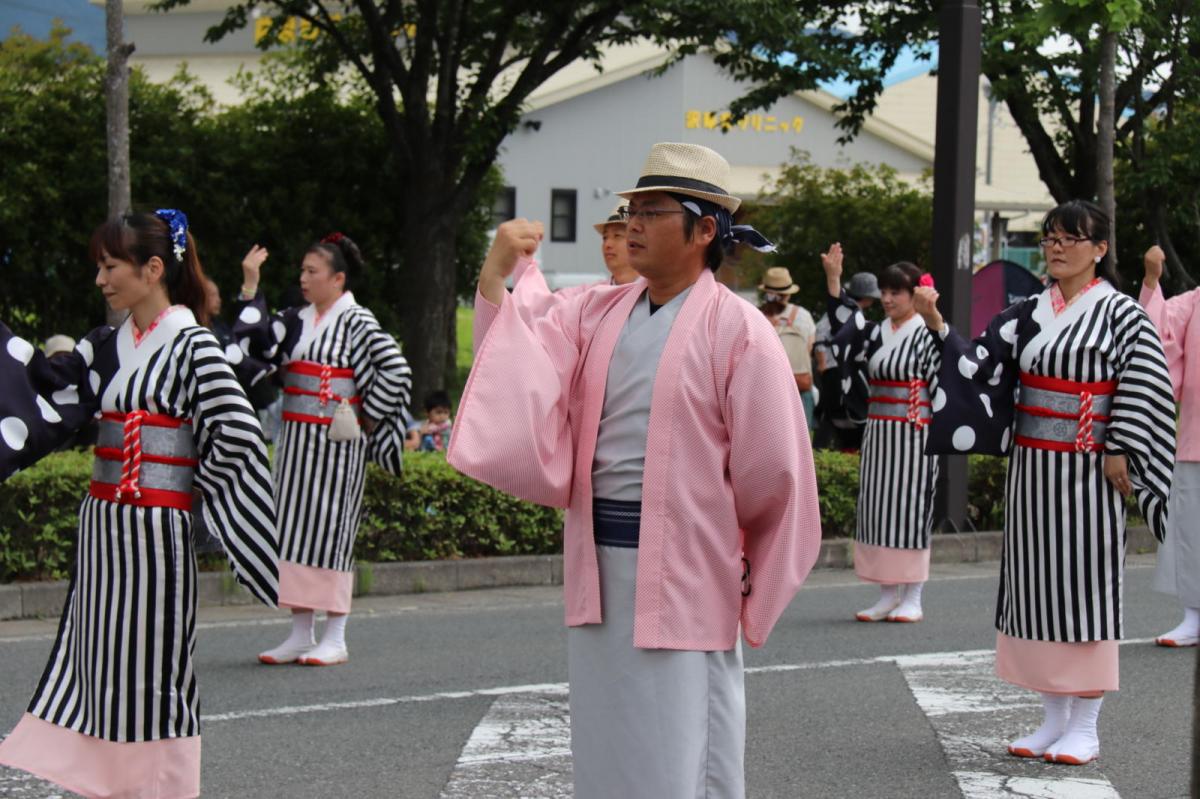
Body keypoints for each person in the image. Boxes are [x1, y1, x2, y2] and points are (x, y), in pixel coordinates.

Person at [448, 142, 822, 798]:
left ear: (705, 231)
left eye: (653, 212)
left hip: (688, 567)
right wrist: (494, 276)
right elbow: (524, 358)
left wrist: (745, 575)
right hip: (601, 560)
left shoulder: (740, 330)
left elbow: (775, 473)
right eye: (632, 211)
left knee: (682, 749)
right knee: (607, 744)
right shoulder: (596, 311)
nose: (634, 226)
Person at [0, 210, 280, 799]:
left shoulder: (195, 345)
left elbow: (238, 434)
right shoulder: (104, 345)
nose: (101, 280)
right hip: (103, 528)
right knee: (101, 660)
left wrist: (188, 495)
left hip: (155, 532)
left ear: (153, 269)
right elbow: (47, 389)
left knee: (154, 668)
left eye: (110, 266)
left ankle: (164, 788)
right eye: (99, 267)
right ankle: (113, 785)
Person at [913, 200, 1175, 765]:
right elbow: (977, 366)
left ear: (1100, 250)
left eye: (1070, 239)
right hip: (1032, 471)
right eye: (1051, 237)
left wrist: (1122, 444)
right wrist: (937, 325)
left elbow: (1146, 378)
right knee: (1036, 592)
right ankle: (1052, 720)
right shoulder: (1026, 312)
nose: (1056, 247)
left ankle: (1087, 725)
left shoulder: (1122, 314)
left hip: (1088, 468)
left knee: (1084, 592)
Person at [233, 233, 412, 667]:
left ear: (338, 278)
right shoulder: (294, 318)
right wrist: (250, 286)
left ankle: (336, 634)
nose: (304, 278)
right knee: (291, 528)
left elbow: (396, 368)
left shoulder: (359, 322)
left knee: (331, 531)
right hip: (294, 440)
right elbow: (253, 344)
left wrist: (367, 415)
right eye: (302, 271)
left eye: (312, 272)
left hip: (337, 443)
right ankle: (300, 632)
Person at [822, 245, 940, 622]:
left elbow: (947, 375)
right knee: (877, 508)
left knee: (910, 509)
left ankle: (914, 595)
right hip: (879, 430)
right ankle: (887, 593)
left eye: (896, 293)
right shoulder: (875, 332)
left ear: (914, 295)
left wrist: (934, 318)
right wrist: (834, 278)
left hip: (915, 432)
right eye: (884, 293)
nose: (887, 299)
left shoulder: (929, 333)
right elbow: (845, 327)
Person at [1139, 244, 1200, 647]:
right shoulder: (1194, 303)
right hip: (1197, 438)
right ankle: (1194, 615)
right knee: (1192, 531)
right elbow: (1154, 333)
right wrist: (1150, 280)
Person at [814, 271, 880, 450]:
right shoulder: (846, 315)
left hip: (835, 370)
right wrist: (823, 365)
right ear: (867, 297)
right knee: (842, 415)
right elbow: (820, 340)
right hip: (837, 370)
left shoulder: (849, 314)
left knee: (836, 416)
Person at [758, 266, 817, 429]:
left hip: (764, 392)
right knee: (800, 446)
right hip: (799, 387)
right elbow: (810, 348)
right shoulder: (803, 316)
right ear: (788, 293)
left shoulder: (755, 316)